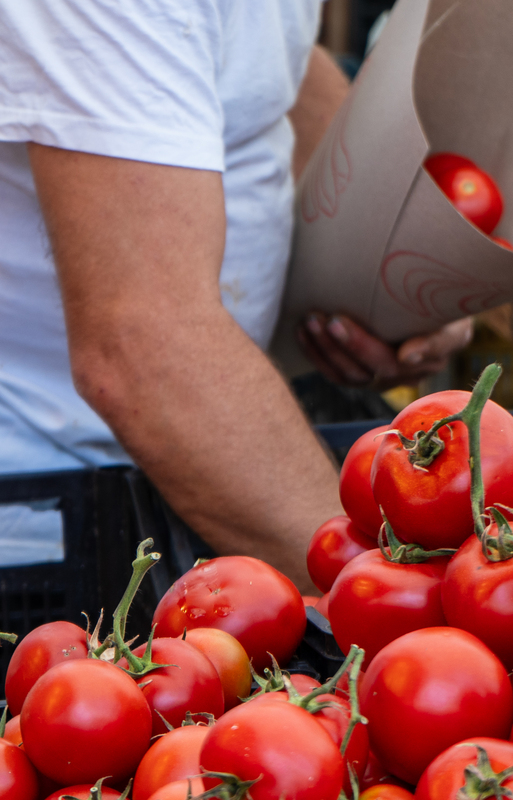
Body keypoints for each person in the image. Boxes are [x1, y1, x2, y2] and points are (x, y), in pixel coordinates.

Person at [0, 1, 472, 591]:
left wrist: (394, 257)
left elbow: (269, 56)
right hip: (47, 521)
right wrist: (394, 596)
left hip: (199, 469)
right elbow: (143, 346)